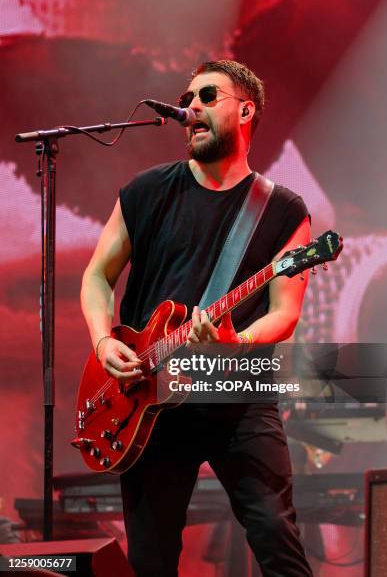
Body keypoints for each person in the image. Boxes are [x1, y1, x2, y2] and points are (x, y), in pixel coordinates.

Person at [81, 60, 313, 576]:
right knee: (152, 556)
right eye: (187, 99)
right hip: (150, 397)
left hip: (237, 392)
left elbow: (285, 314)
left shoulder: (284, 210)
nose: (191, 108)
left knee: (277, 537)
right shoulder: (145, 191)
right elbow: (97, 276)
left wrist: (239, 341)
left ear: (246, 109)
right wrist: (102, 341)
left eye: (208, 96)